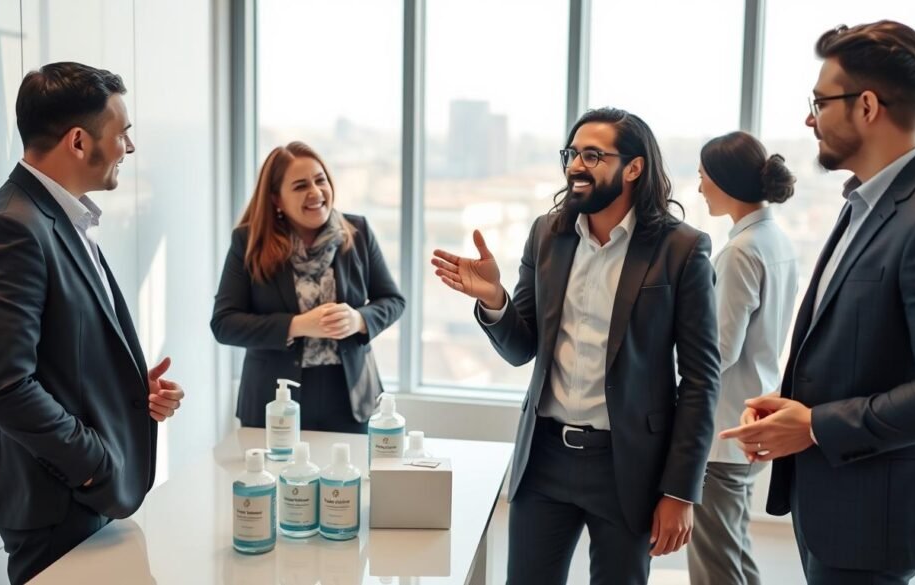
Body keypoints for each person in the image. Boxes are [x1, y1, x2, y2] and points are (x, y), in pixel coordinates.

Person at [720, 21, 915, 585]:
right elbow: (864, 346)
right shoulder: (863, 203)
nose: (809, 117)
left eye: (819, 102)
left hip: (875, 520)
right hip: (834, 502)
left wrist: (816, 424)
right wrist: (791, 406)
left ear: (867, 106)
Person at [431, 107, 720, 584]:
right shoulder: (548, 234)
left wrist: (680, 491)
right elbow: (521, 348)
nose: (574, 166)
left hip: (627, 464)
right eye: (571, 153)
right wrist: (495, 301)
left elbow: (701, 379)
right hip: (545, 456)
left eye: (592, 154)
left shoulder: (681, 249)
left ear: (634, 167)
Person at [0, 62, 186, 584]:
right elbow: (1, 385)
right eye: (122, 134)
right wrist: (93, 463)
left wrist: (131, 391)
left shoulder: (56, 216)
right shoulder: (12, 227)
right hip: (57, 496)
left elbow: (60, 354)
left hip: (77, 492)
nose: (129, 148)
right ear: (76, 142)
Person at [211, 141, 403, 433]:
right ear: (277, 199)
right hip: (273, 399)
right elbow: (224, 324)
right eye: (300, 186)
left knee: (354, 479)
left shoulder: (358, 232)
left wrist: (359, 319)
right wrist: (298, 325)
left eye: (320, 180)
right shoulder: (248, 241)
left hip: (350, 396)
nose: (315, 192)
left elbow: (392, 300)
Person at [687, 131, 799, 585]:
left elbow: (720, 350)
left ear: (724, 181)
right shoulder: (776, 241)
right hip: (751, 416)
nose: (698, 189)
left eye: (702, 177)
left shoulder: (740, 251)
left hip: (722, 430)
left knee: (715, 565)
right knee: (734, 550)